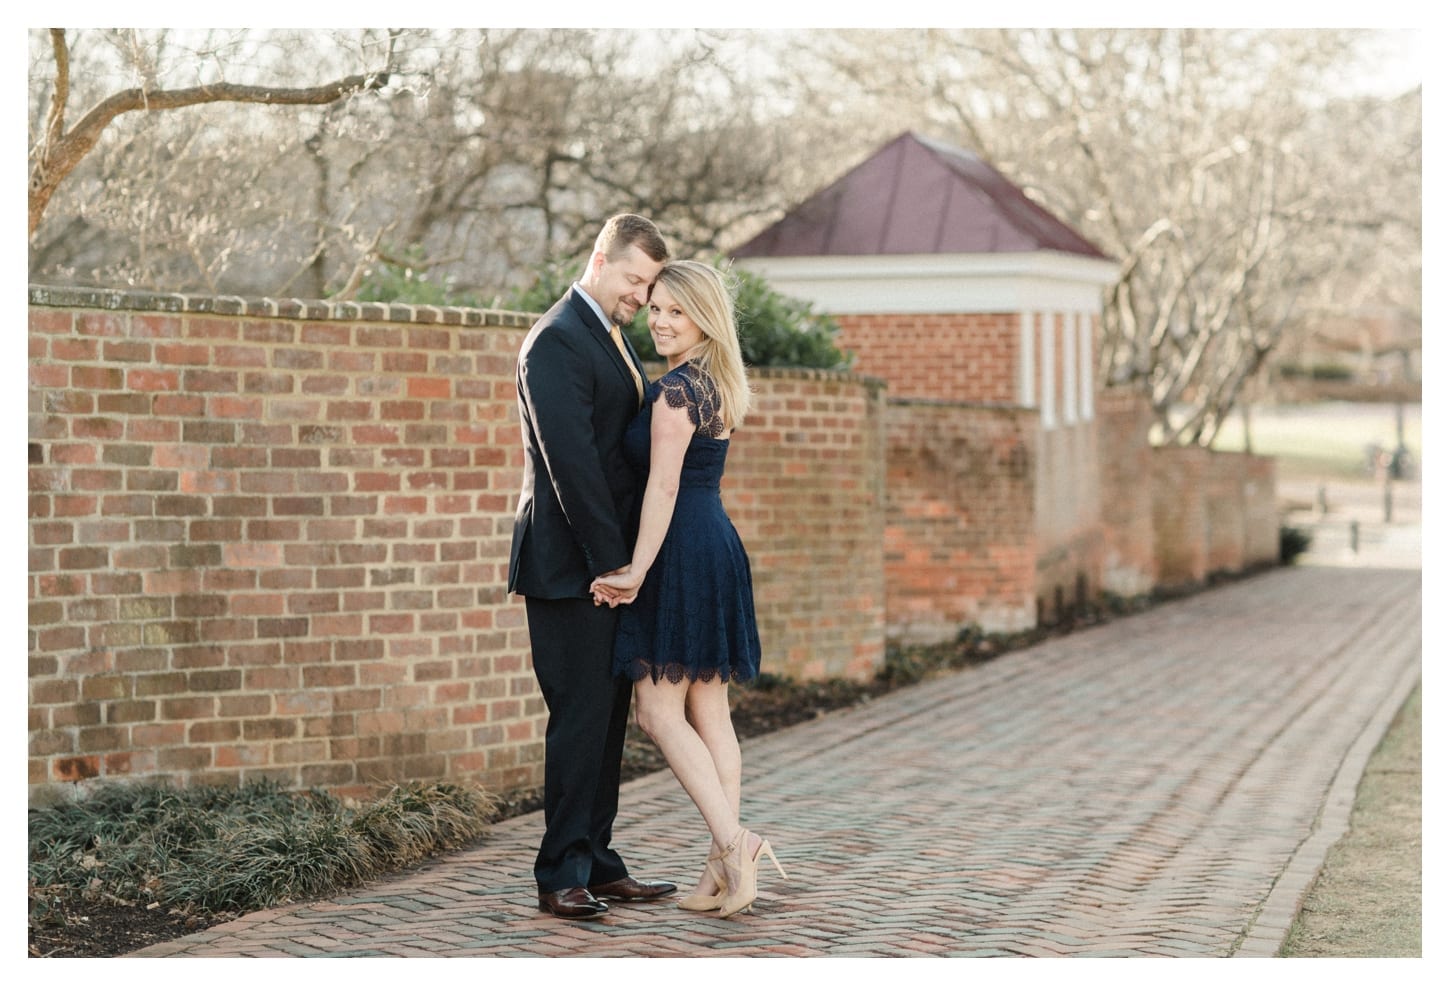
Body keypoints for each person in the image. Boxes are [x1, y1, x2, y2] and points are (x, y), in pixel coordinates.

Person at [591, 260, 787, 918]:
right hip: (714, 545)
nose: (661, 321)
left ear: (704, 315)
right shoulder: (715, 384)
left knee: (657, 714)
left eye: (676, 310)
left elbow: (663, 487)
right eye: (655, 309)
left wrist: (636, 570)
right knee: (711, 714)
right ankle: (720, 870)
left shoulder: (676, 392)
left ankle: (737, 844)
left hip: (679, 552)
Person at [508, 214, 677, 921]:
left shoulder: (606, 335)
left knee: (608, 719)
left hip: (604, 567)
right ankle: (559, 874)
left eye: (649, 286)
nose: (640, 297)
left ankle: (598, 861)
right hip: (568, 564)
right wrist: (614, 564)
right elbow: (570, 464)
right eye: (634, 279)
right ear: (600, 259)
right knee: (579, 717)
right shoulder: (555, 340)